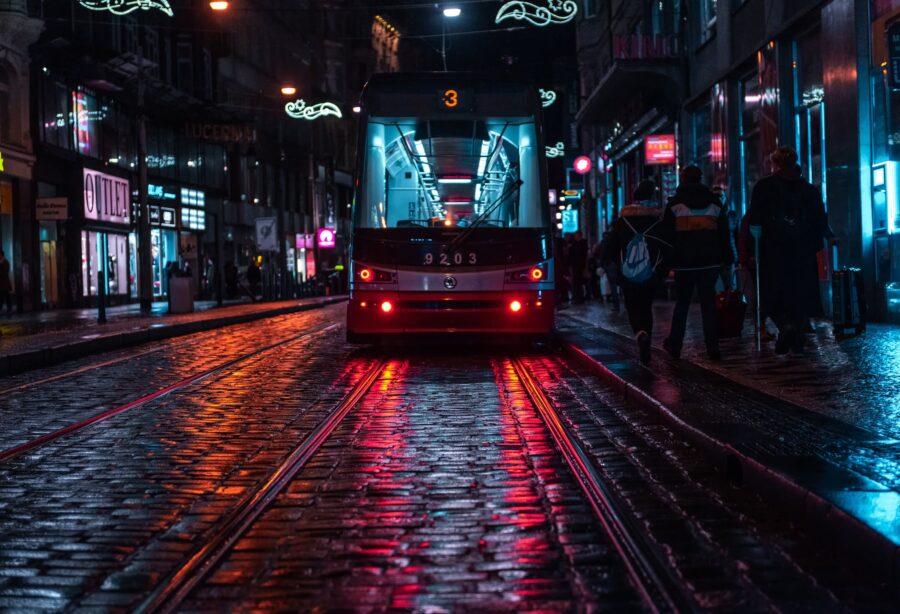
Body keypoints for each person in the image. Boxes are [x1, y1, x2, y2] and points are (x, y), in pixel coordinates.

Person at [747, 146, 833, 355]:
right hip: (802, 251)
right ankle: (797, 338)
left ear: (775, 163)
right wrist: (820, 240)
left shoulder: (764, 187)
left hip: (774, 250)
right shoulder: (809, 190)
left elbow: (755, 219)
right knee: (800, 294)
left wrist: (753, 247)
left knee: (775, 293)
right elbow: (820, 219)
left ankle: (786, 326)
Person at [662, 165, 735, 361]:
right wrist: (728, 259)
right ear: (701, 179)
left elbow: (667, 237)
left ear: (683, 179)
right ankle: (713, 347)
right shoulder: (714, 203)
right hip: (710, 263)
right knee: (708, 305)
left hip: (684, 264)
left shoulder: (674, 205)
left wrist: (668, 262)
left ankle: (675, 345)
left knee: (682, 304)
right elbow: (723, 234)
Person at [602, 180, 671, 364]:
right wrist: (662, 271)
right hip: (651, 273)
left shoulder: (622, 222)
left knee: (632, 306)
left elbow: (609, 247)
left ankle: (640, 333)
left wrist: (615, 266)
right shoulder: (657, 221)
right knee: (646, 306)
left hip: (627, 273)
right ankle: (646, 333)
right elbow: (667, 247)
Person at [569, 231, 589, 304]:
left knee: (579, 282)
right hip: (575, 265)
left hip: (580, 265)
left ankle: (580, 298)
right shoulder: (574, 244)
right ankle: (577, 298)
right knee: (576, 282)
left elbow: (585, 255)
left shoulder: (582, 243)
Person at [0, 250, 11, 315]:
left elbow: (5, 273)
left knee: (4, 296)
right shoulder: (2, 262)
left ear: (1, 255)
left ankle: (7, 309)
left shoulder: (6, 263)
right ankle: (9, 308)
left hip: (4, 283)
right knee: (6, 296)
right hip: (3, 283)